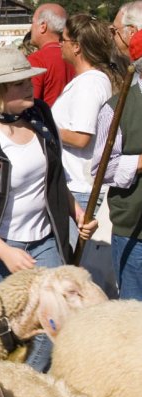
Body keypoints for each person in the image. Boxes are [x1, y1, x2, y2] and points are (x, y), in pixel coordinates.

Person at [0, 47, 97, 372]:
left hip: (46, 243)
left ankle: (31, 382)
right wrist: (7, 254)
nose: (29, 87)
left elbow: (53, 177)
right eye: (18, 83)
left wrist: (76, 214)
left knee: (55, 324)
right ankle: (7, 386)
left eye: (28, 80)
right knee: (5, 331)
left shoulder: (40, 116)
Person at [52, 14, 122, 250]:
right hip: (80, 184)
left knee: (78, 266)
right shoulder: (90, 81)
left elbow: (82, 137)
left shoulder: (89, 84)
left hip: (81, 187)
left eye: (63, 39)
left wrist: (44, 129)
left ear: (77, 46)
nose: (60, 44)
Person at [92, 30, 142, 301]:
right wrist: (140, 162)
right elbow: (102, 170)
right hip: (135, 230)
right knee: (136, 315)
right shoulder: (116, 108)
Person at [28, 3, 75, 106]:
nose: (30, 28)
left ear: (43, 26)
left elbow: (28, 104)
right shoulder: (77, 55)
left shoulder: (37, 60)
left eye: (32, 23)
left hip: (47, 121)